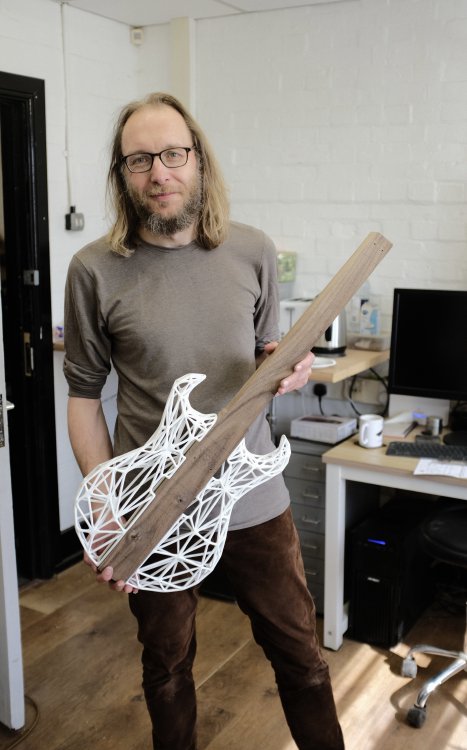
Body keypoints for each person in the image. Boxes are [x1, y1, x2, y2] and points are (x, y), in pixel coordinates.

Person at [63, 92, 344, 750]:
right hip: (150, 510)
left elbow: (266, 368)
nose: (158, 172)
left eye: (171, 154)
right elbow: (82, 394)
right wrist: (104, 503)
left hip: (251, 498)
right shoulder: (93, 271)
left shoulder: (251, 251)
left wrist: (292, 373)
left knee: (301, 657)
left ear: (198, 161)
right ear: (121, 173)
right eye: (138, 159)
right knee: (165, 666)